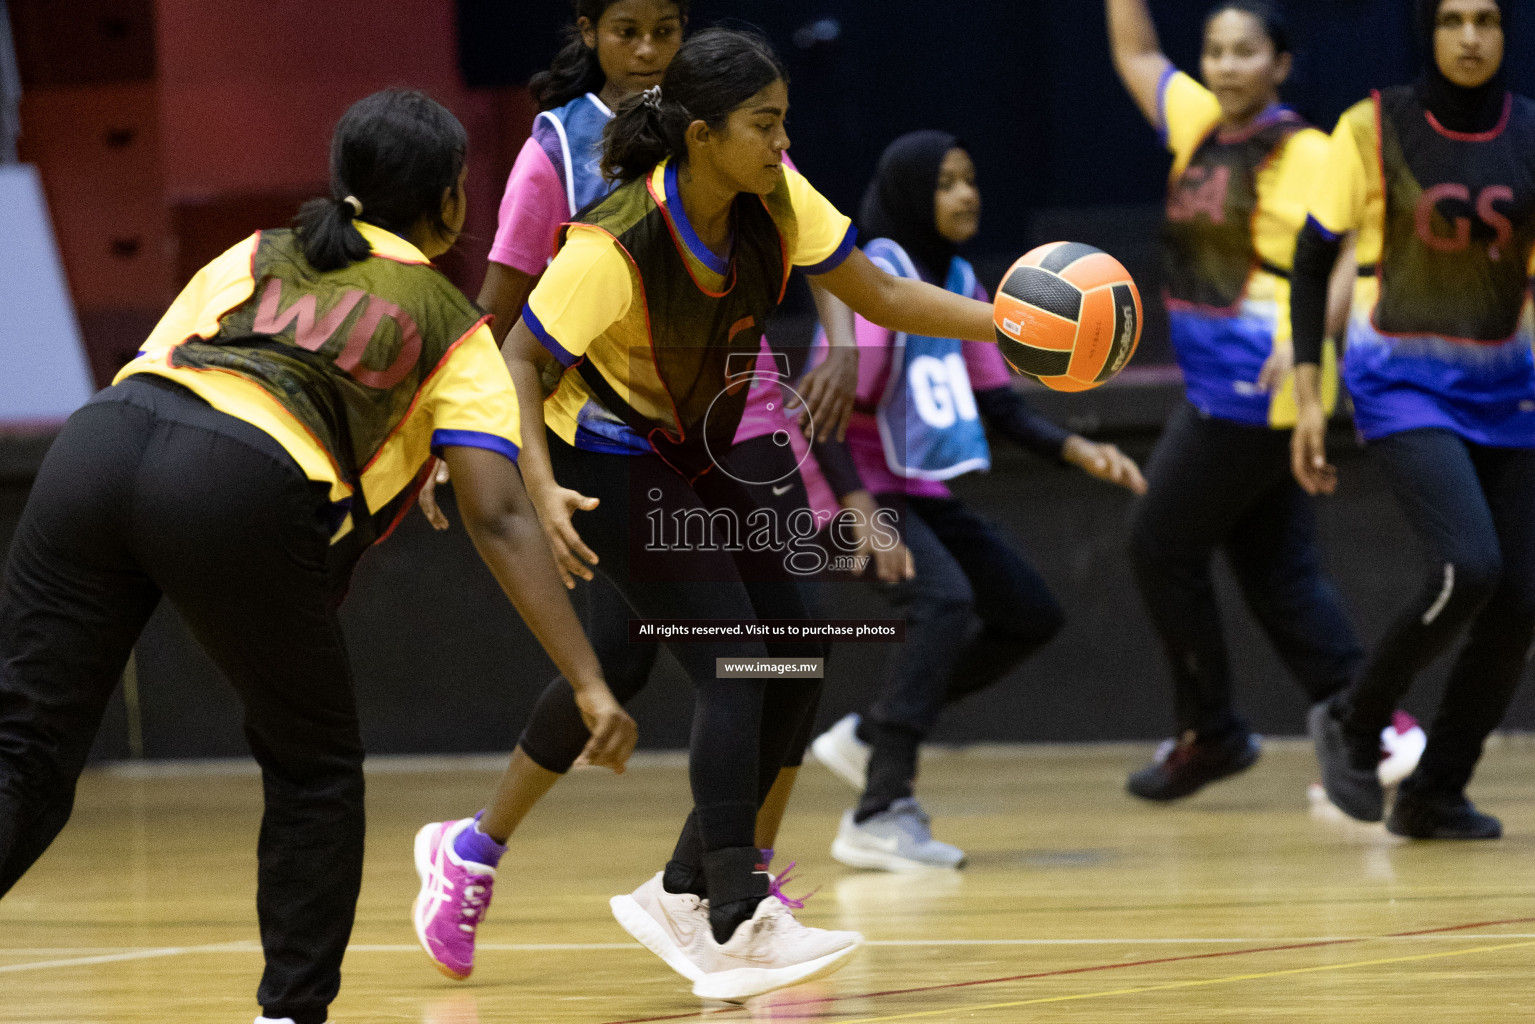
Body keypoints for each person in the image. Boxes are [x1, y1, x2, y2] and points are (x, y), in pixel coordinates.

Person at [0, 90, 635, 1024]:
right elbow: (498, 518)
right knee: (313, 772)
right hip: (236, 478)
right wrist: (587, 680)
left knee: (25, 750)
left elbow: (168, 370)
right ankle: (288, 1015)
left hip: (97, 446)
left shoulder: (253, 251)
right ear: (453, 203)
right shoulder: (453, 320)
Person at [437, 26, 1045, 1000]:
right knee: (734, 655)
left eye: (783, 123)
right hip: (605, 450)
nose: (779, 144)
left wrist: (1007, 323)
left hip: (702, 435)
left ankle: (684, 889)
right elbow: (514, 358)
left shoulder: (774, 199)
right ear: (701, 133)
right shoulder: (615, 240)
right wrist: (539, 483)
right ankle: (731, 917)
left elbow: (880, 291)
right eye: (763, 126)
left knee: (796, 645)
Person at [409, 0, 860, 985]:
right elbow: (502, 317)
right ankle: (490, 847)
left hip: (729, 427)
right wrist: (460, 441)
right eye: (628, 33)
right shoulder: (558, 158)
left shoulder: (737, 127)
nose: (649, 52)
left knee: (787, 650)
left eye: (665, 30)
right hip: (609, 442)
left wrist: (838, 331)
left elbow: (817, 235)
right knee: (646, 665)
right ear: (587, 32)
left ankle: (724, 885)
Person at [1106, 0, 1420, 802]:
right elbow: (1136, 53)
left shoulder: (1310, 151)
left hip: (1260, 388)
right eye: (1214, 51)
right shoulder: (1198, 125)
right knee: (1277, 574)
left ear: (1279, 65)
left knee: (1158, 543)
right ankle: (1375, 724)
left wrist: (1312, 330)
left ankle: (1210, 732)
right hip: (1217, 386)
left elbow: (1352, 244)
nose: (1225, 65)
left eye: (1246, 52)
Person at [805, 131, 1146, 870]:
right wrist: (860, 513)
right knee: (943, 602)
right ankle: (879, 809)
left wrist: (1077, 448)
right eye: (947, 182)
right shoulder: (877, 275)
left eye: (971, 179)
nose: (966, 194)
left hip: (909, 485)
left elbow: (999, 406)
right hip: (837, 485)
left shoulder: (959, 278)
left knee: (1026, 612)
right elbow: (818, 411)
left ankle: (871, 735)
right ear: (908, 193)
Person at [1292, 0, 1533, 840]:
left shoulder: (1530, 131)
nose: (1469, 37)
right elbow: (1312, 254)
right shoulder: (1369, 126)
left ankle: (1434, 792)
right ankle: (1356, 723)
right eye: (1451, 20)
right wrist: (1305, 387)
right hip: (1397, 380)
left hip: (1507, 385)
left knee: (1521, 603)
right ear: (1426, 33)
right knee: (1467, 567)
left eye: (1487, 20)